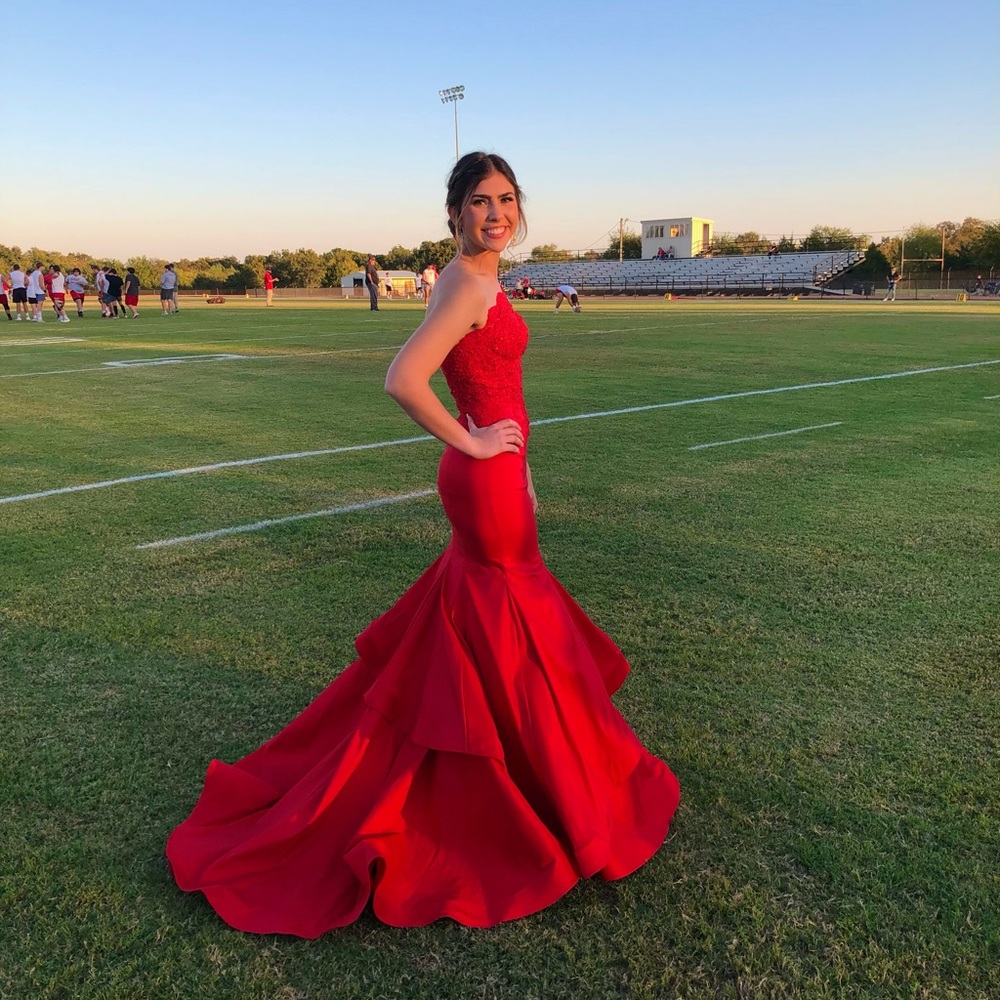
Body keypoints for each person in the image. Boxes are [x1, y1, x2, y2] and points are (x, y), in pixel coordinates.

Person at [166, 151, 680, 937]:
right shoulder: (470, 284)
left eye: (507, 200)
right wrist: (477, 449)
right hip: (484, 479)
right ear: (453, 213)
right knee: (515, 637)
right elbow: (405, 377)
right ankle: (544, 802)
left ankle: (532, 779)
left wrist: (518, 464)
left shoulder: (469, 276)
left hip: (499, 479)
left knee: (492, 635)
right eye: (480, 202)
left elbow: (495, 388)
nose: (496, 214)